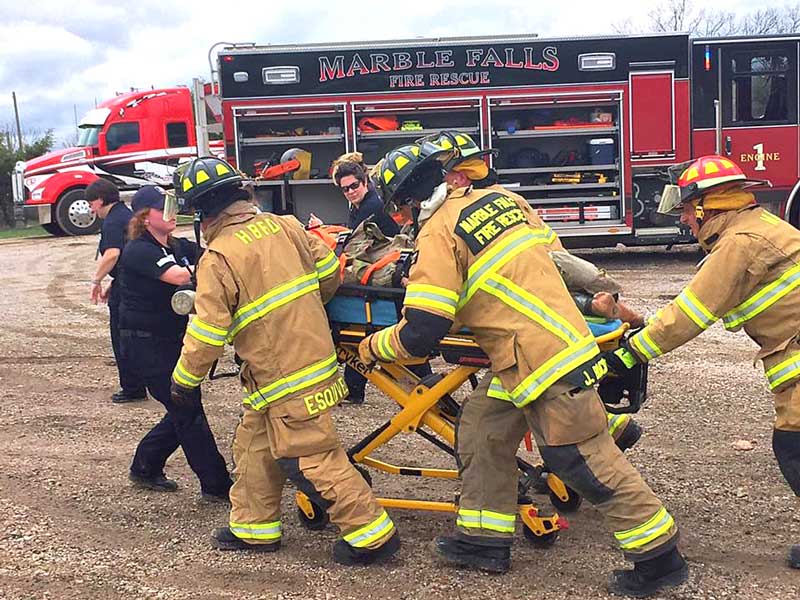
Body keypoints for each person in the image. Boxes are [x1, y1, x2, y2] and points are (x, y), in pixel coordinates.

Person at [359, 142, 687, 597]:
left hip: (542, 359)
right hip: (527, 354)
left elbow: (422, 332)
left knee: (581, 459)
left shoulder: (438, 231)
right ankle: (482, 541)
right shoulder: (506, 202)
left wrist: (373, 346)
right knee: (480, 431)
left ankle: (659, 558)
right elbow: (547, 265)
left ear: (407, 201)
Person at [170, 157, 399, 565]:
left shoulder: (218, 257)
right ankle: (254, 527)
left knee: (310, 454)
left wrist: (184, 382)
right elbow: (330, 270)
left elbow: (207, 332)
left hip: (285, 375)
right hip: (298, 365)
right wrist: (305, 313)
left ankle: (371, 534)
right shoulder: (287, 225)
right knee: (256, 443)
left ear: (204, 212)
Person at [605, 154, 800, 570]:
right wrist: (643, 326)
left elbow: (692, 314)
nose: (686, 221)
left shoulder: (738, 244)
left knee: (794, 447)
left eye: (688, 211)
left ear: (707, 205)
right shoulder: (756, 229)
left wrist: (630, 352)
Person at [420, 130, 643, 452]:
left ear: (454, 176)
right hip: (551, 292)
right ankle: (605, 425)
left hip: (527, 312)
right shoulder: (503, 198)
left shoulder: (469, 210)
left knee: (525, 392)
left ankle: (598, 432)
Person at [119, 185, 232, 501]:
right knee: (186, 408)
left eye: (170, 206)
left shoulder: (176, 244)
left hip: (170, 341)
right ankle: (217, 485)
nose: (170, 213)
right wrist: (205, 271)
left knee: (183, 408)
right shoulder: (139, 250)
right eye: (161, 208)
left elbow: (216, 257)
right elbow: (180, 277)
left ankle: (145, 466)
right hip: (144, 345)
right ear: (144, 217)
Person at [86, 179, 146, 403]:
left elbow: (113, 254)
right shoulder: (127, 215)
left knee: (122, 337)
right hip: (137, 281)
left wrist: (96, 281)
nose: (91, 209)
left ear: (100, 200)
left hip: (128, 289)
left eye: (91, 203)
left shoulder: (111, 221)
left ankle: (132, 388)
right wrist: (115, 281)